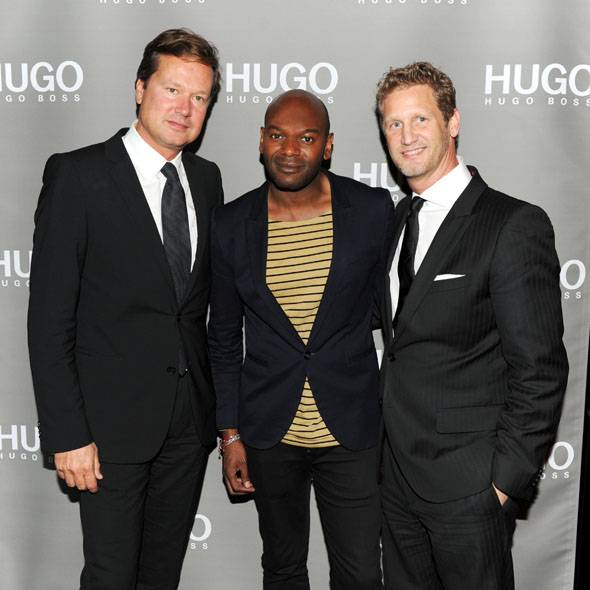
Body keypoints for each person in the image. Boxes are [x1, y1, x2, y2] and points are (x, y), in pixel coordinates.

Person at [27, 28, 223, 589]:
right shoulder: (78, 175)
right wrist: (68, 434)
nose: (185, 108)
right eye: (172, 90)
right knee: (111, 577)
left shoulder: (206, 181)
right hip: (107, 430)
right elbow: (49, 321)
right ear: (140, 89)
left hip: (187, 425)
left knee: (162, 576)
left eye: (199, 97)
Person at [375, 61, 569, 590]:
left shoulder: (512, 224)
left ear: (453, 122)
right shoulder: (396, 221)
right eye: (394, 124)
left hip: (469, 484)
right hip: (396, 480)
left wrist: (501, 484)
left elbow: (540, 369)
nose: (407, 136)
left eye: (420, 119)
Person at [208, 89, 393, 589]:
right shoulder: (231, 224)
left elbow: (393, 309)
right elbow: (223, 338)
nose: (290, 150)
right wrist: (229, 435)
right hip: (269, 431)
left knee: (361, 575)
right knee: (283, 568)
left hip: (352, 431)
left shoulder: (372, 210)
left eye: (306, 138)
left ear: (327, 146)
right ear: (261, 141)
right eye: (277, 136)